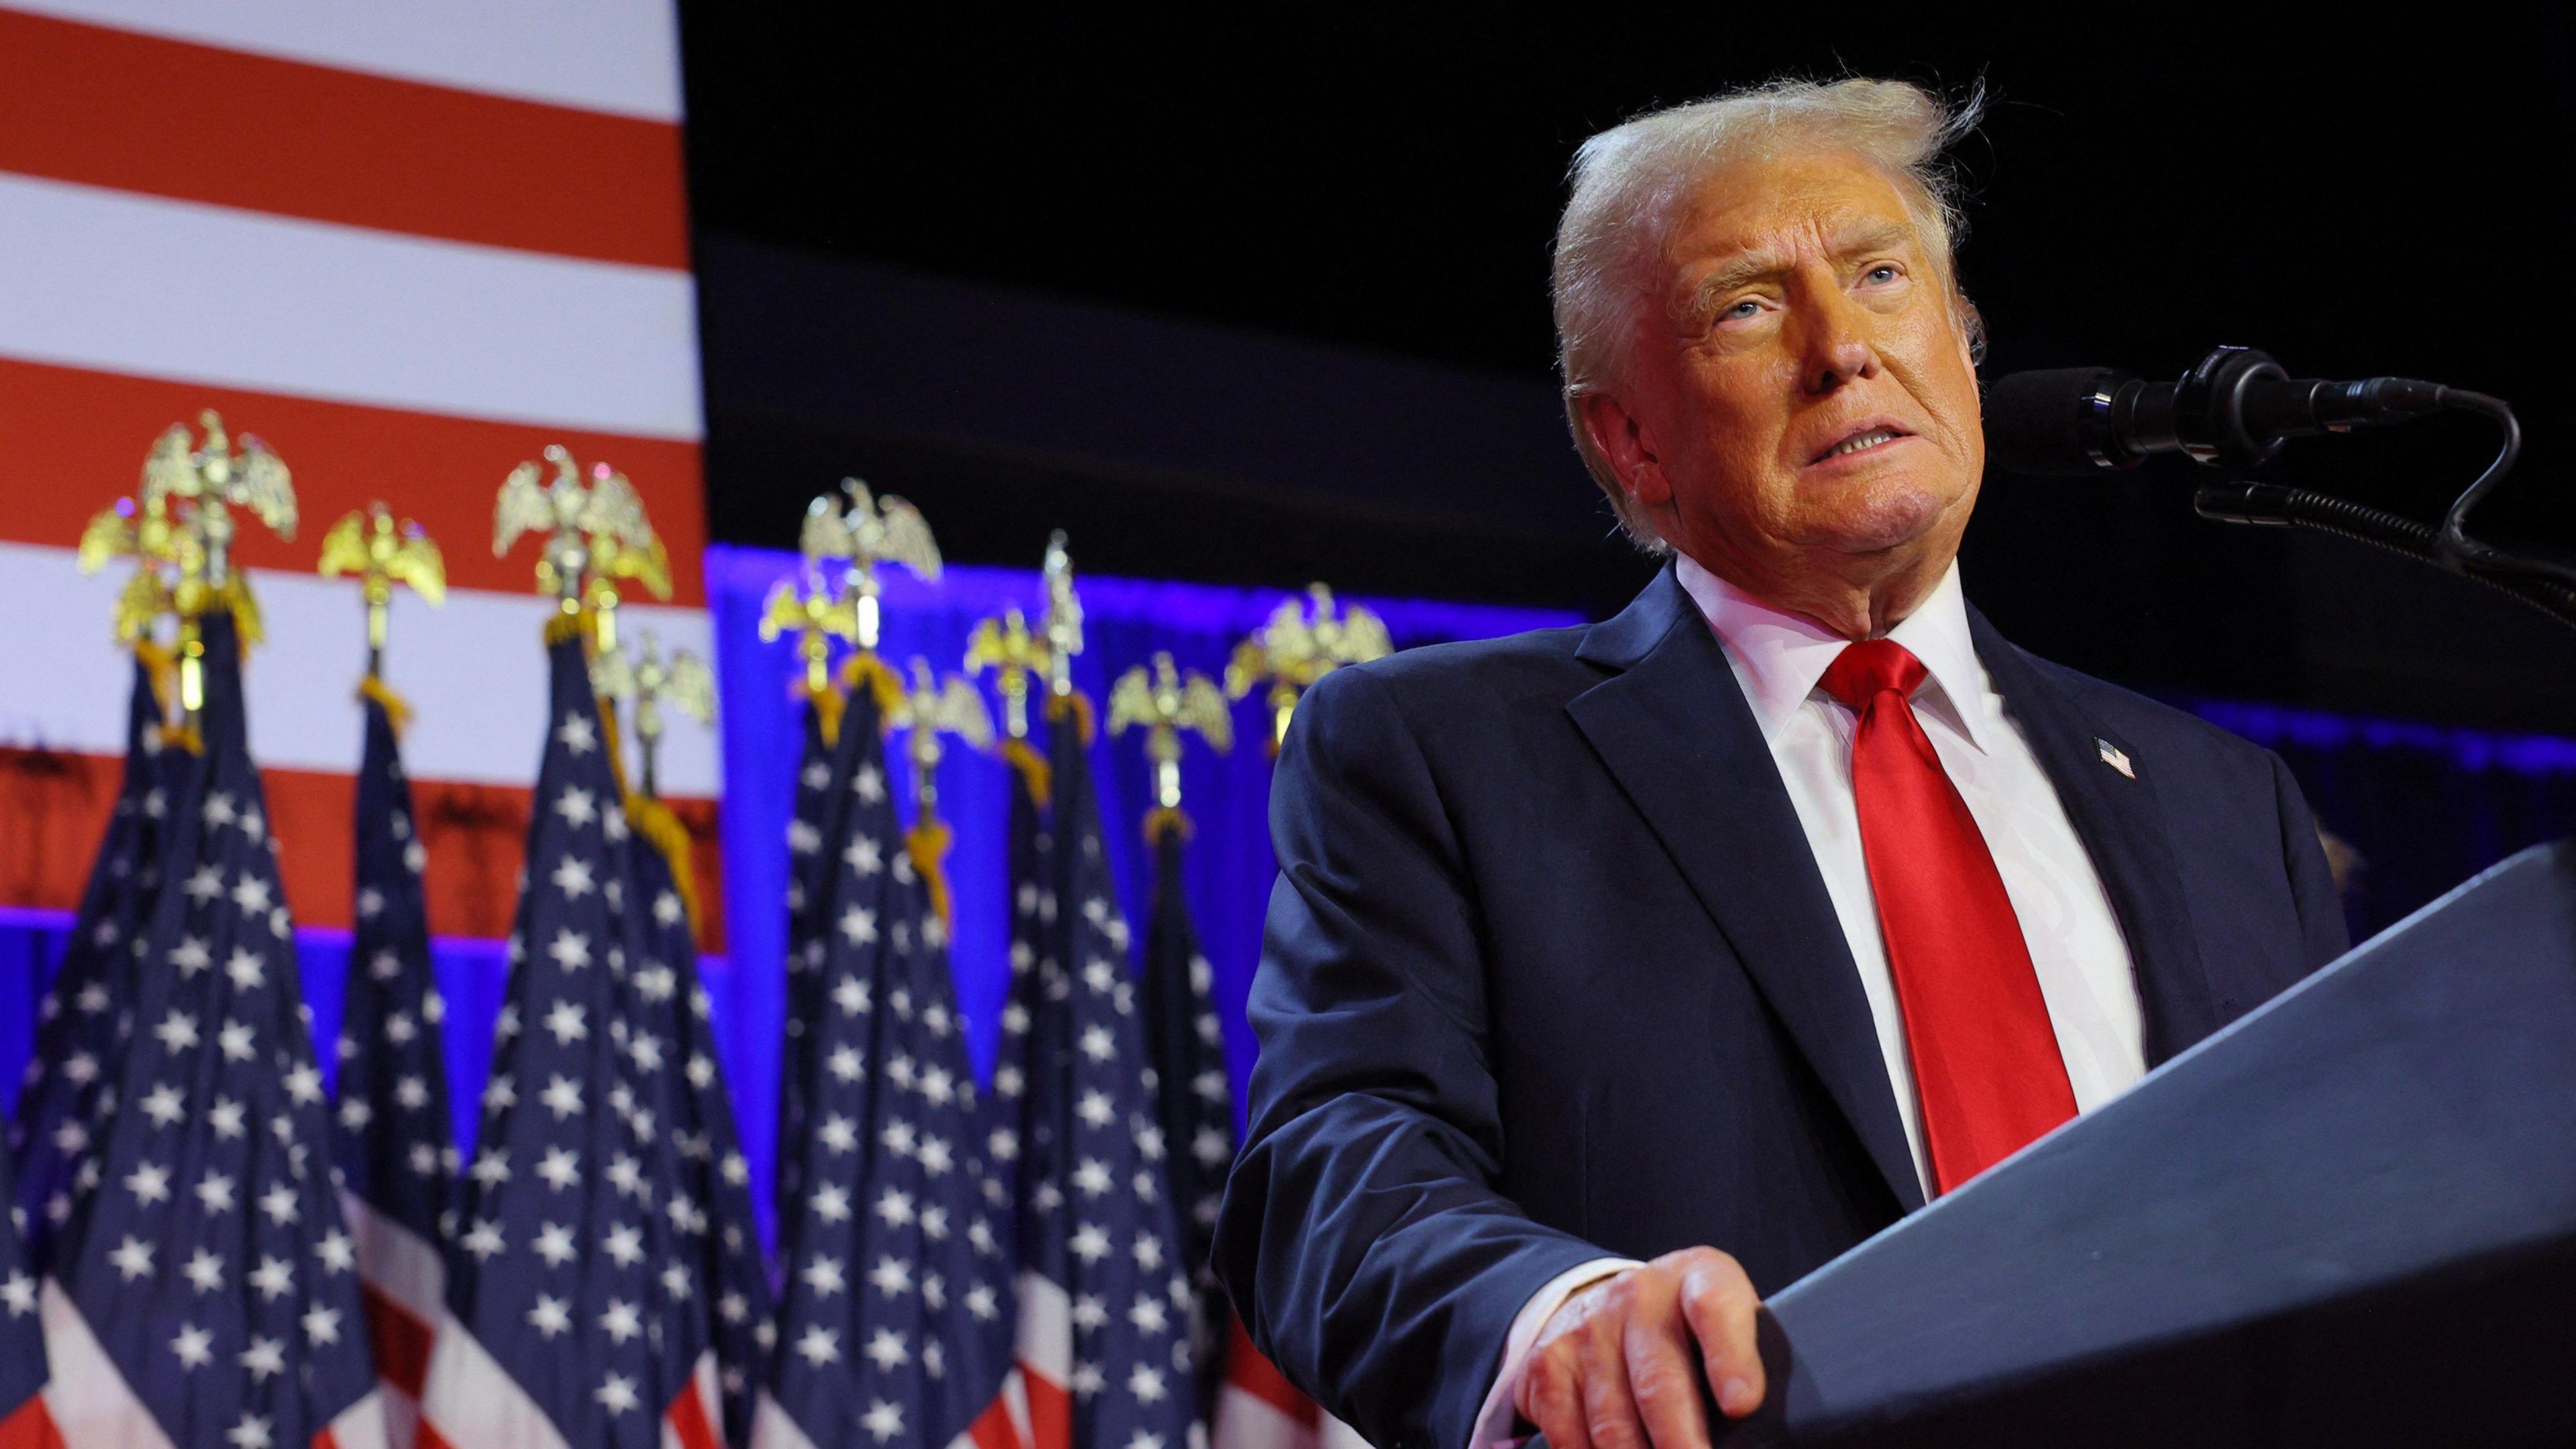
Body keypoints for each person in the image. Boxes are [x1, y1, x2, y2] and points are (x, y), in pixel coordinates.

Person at [1212, 77, 2349, 1449]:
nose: (1843, 350)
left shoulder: (2226, 803)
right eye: (1746, 306)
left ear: (1963, 343)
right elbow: (1335, 1168)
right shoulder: (1441, 755)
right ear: (1626, 441)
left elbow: (2343, 1222)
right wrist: (1560, 1315)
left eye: (1881, 276)